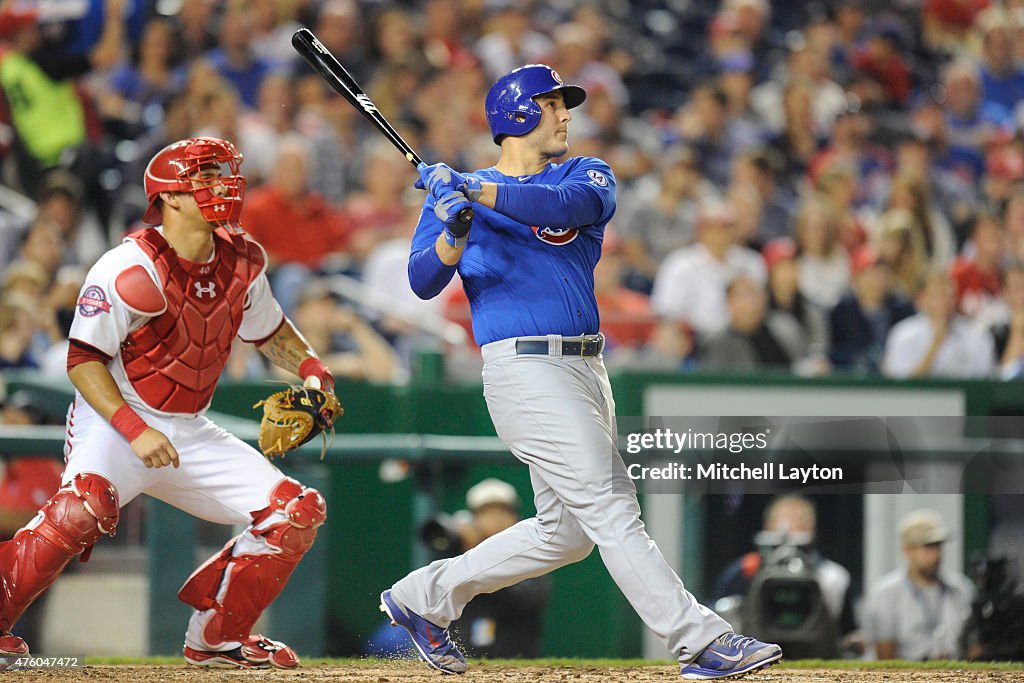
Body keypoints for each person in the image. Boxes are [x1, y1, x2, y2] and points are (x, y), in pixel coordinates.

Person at [378, 64, 782, 680]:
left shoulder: (580, 173)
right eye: (552, 104)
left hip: (588, 370)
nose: (566, 114)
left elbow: (569, 204)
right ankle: (699, 640)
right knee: (611, 503)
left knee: (566, 535)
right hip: (523, 369)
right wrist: (454, 232)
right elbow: (422, 280)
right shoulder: (455, 194)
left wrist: (475, 194)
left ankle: (422, 598)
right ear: (515, 114)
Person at [0, 137, 339, 669]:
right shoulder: (128, 267)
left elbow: (269, 330)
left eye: (224, 173)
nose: (223, 185)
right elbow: (83, 362)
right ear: (171, 197)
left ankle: (216, 638)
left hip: (188, 424)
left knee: (294, 512)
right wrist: (135, 430)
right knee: (82, 508)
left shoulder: (244, 258)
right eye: (206, 177)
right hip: (116, 417)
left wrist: (314, 369)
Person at [713, 495, 854, 637]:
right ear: (767, 529)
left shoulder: (834, 577)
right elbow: (718, 620)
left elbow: (847, 633)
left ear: (812, 531)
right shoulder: (744, 571)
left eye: (799, 526)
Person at [862, 509, 974, 661]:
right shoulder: (886, 594)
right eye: (928, 547)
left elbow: (974, 647)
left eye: (938, 546)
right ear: (908, 550)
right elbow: (885, 658)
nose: (936, 555)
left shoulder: (961, 589)